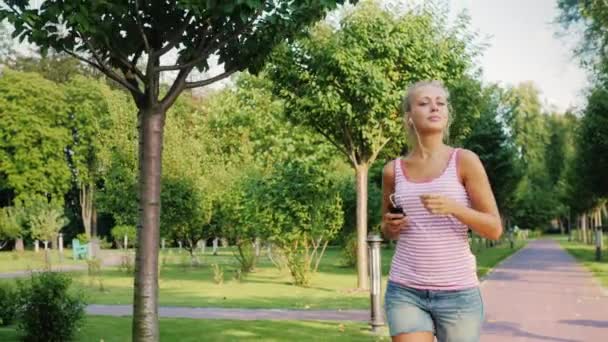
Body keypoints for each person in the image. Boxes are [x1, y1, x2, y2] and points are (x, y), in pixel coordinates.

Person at [381, 80, 503, 342]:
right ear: (409, 117)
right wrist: (390, 227)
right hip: (405, 290)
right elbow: (386, 227)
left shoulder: (464, 160)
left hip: (458, 293)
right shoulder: (393, 170)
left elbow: (494, 229)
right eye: (424, 103)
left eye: (441, 103)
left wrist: (454, 208)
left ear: (447, 115)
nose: (434, 108)